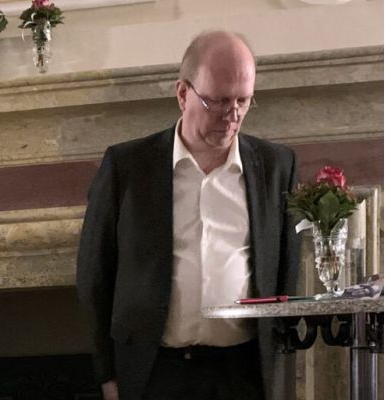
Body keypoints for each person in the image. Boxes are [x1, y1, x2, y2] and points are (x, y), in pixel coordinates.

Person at [76, 31, 299, 400]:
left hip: (244, 372)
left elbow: (286, 271)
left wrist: (278, 370)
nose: (233, 115)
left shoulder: (277, 167)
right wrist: (107, 376)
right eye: (219, 101)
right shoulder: (126, 167)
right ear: (183, 94)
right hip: (154, 373)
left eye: (243, 101)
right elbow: (93, 275)